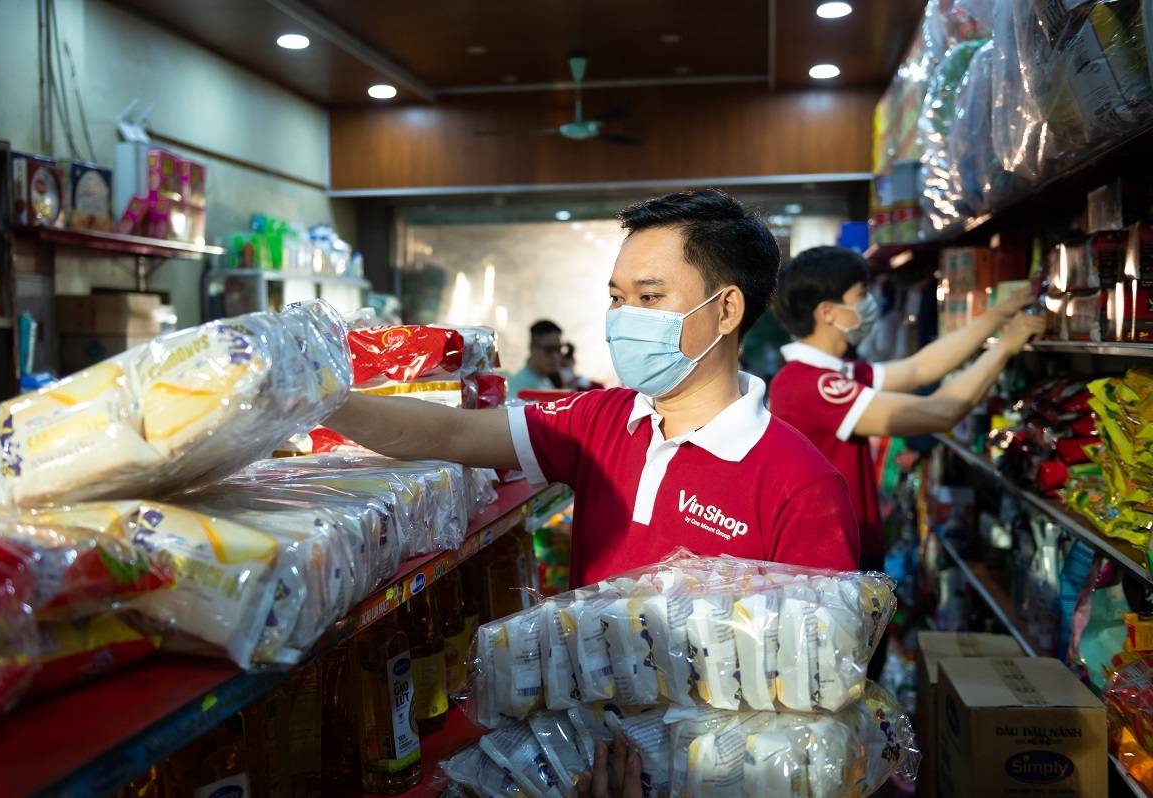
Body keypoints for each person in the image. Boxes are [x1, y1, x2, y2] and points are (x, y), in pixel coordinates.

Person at [324, 191, 862, 795]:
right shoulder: (602, 421)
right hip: (582, 761)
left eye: (650, 297)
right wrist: (320, 396)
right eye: (616, 296)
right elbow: (448, 430)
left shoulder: (802, 484)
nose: (623, 317)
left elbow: (819, 699)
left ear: (726, 309)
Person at [768, 245, 1045, 678]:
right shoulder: (812, 386)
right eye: (861, 294)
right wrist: (1005, 348)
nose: (871, 304)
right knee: (849, 682)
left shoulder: (835, 372)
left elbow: (920, 369)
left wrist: (1000, 314)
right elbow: (940, 410)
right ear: (827, 311)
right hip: (832, 563)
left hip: (851, 551)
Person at [509, 319, 564, 396]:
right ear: (532, 348)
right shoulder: (519, 387)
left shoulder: (545, 380)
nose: (555, 356)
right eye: (549, 349)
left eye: (558, 349)